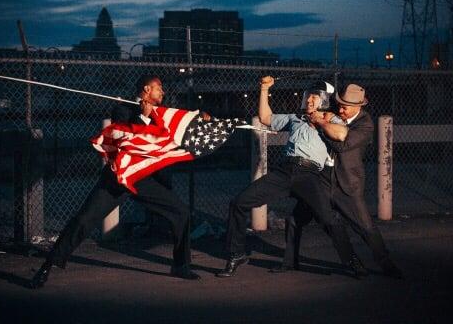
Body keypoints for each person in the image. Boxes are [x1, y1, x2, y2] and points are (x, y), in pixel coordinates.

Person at [31, 75, 201, 289]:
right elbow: (126, 136)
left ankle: (180, 265)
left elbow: (176, 131)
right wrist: (142, 117)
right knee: (84, 219)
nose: (163, 92)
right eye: (159, 88)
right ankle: (49, 264)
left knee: (181, 212)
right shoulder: (122, 111)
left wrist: (200, 120)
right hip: (118, 178)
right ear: (147, 89)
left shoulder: (161, 115)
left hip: (142, 179)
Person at [216, 76, 359, 278]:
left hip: (310, 175)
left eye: (314, 98)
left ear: (325, 99)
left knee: (328, 219)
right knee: (239, 203)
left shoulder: (331, 119)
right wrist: (264, 89)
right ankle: (236, 254)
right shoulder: (295, 118)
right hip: (284, 171)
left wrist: (319, 120)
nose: (309, 100)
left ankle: (352, 261)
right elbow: (266, 118)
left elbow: (341, 134)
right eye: (308, 97)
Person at [284, 84, 402, 279]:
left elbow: (343, 145)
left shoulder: (365, 124)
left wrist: (322, 126)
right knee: (295, 218)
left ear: (358, 107)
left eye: (345, 107)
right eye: (339, 105)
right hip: (321, 178)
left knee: (365, 227)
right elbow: (309, 115)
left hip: (346, 183)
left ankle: (387, 264)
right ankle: (289, 263)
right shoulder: (333, 114)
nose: (340, 110)